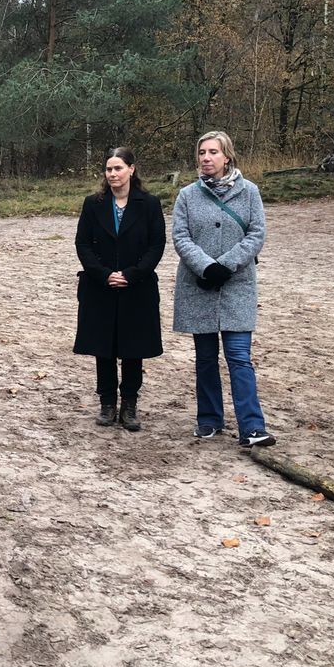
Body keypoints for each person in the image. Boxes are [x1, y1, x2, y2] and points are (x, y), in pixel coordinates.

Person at [172, 131, 274, 447]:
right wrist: (206, 267)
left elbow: (256, 234)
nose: (206, 158)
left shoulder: (249, 192)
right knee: (205, 357)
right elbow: (180, 237)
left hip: (237, 286)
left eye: (213, 152)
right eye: (202, 152)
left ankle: (252, 427)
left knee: (239, 356)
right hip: (197, 284)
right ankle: (209, 420)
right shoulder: (187, 195)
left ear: (226, 156)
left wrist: (226, 265)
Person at [73, 147, 166, 431]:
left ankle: (129, 405)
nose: (113, 174)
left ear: (131, 170)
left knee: (132, 349)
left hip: (136, 288)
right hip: (100, 288)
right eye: (109, 169)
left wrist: (131, 274)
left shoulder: (149, 204)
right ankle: (107, 404)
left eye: (118, 168)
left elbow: (156, 245)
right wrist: (104, 275)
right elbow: (83, 244)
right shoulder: (93, 203)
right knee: (104, 348)